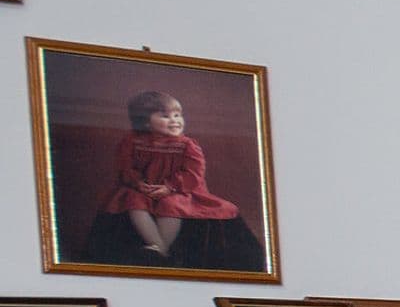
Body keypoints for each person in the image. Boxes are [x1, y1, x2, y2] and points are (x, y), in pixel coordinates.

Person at [77, 88, 262, 271]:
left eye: (177, 115)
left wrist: (170, 187)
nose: (175, 120)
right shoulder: (131, 142)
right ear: (145, 122)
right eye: (165, 116)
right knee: (133, 201)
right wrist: (138, 183)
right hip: (143, 188)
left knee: (171, 204)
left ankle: (161, 249)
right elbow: (125, 166)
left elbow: (194, 173)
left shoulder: (187, 145)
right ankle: (157, 245)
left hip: (180, 190)